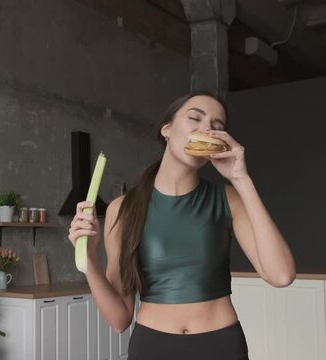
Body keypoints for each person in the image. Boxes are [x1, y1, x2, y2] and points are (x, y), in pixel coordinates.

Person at [68, 91, 296, 360]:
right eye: (195, 118)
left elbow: (281, 275)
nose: (206, 130)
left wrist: (241, 179)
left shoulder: (228, 198)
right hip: (152, 347)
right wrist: (90, 259)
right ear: (167, 129)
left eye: (216, 127)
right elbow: (119, 320)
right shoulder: (124, 209)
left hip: (220, 346)